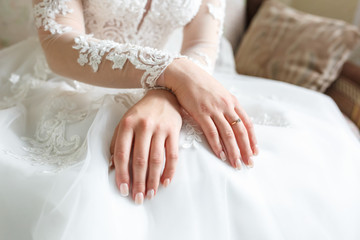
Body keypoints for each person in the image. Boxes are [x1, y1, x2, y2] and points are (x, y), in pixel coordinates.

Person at [0, 0, 359, 239]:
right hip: (66, 83)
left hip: (184, 84)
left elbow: (202, 46)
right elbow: (61, 45)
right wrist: (169, 72)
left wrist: (167, 95)